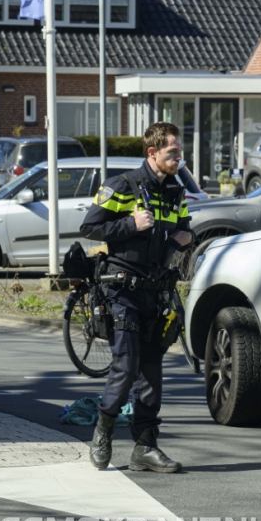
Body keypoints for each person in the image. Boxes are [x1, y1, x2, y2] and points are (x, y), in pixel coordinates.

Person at [81, 121, 194, 473]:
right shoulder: (122, 185)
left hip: (155, 294)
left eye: (179, 151)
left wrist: (185, 238)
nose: (178, 157)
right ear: (153, 152)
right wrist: (131, 225)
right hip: (122, 292)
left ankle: (145, 447)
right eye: (172, 152)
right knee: (126, 367)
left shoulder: (175, 191)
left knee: (151, 375)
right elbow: (89, 227)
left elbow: (184, 229)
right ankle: (103, 432)